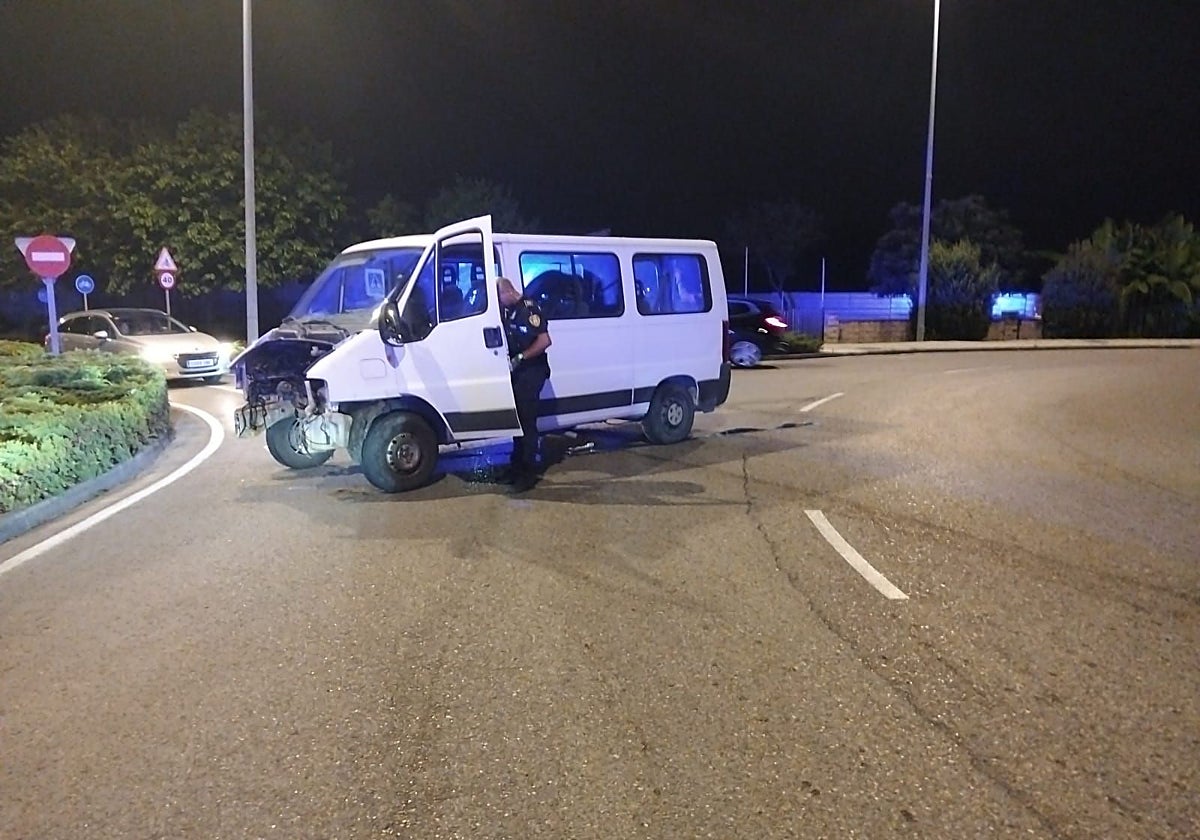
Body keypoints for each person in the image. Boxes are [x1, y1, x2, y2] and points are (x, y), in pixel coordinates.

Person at [497, 276, 552, 492]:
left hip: (532, 371)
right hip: (520, 373)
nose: (499, 304)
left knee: (527, 422)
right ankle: (516, 466)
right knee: (518, 420)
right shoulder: (511, 311)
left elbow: (545, 340)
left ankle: (530, 471)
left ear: (507, 293)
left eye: (500, 299)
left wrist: (521, 357)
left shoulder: (529, 310)